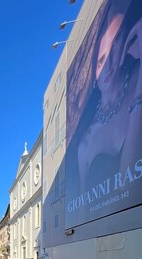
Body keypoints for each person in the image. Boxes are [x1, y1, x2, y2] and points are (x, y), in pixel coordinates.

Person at [74, 0, 142, 200]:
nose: (109, 66)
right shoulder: (85, 141)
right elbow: (126, 187)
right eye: (101, 61)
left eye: (115, 44)